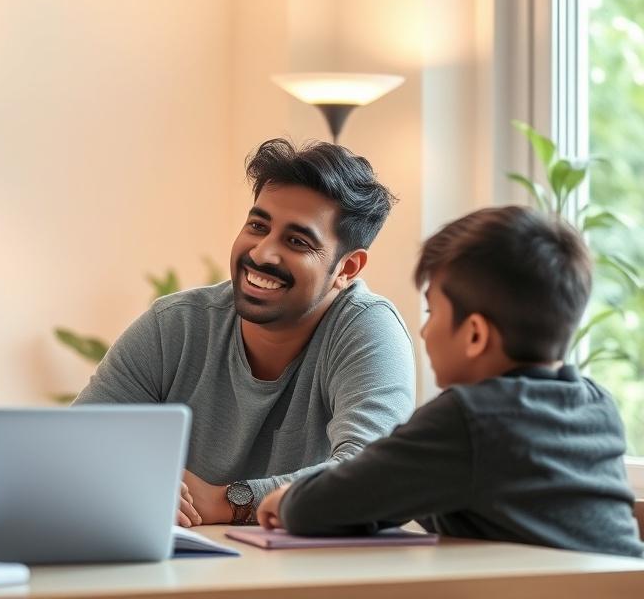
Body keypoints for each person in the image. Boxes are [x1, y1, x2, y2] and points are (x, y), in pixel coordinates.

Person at [257, 206, 644, 558]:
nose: (424, 331)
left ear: (475, 335)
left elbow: (331, 502)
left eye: (432, 311)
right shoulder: (598, 406)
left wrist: (287, 500)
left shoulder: (469, 419)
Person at [75, 138, 415, 526]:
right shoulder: (176, 324)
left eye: (297, 241)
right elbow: (76, 447)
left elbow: (377, 476)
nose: (262, 253)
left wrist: (229, 502)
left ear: (348, 268)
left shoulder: (367, 330)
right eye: (258, 226)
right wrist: (130, 482)